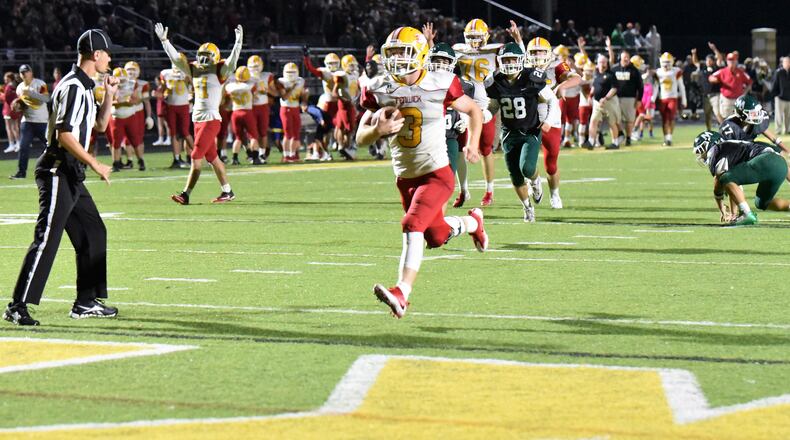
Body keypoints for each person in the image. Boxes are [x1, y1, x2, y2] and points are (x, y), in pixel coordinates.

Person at [357, 26, 486, 319]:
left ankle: (402, 292)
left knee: (412, 224)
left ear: (421, 54)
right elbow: (359, 138)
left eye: (405, 52)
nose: (399, 60)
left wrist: (473, 144)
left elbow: (475, 111)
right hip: (405, 178)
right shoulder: (380, 87)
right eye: (393, 54)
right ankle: (473, 223)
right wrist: (376, 130)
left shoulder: (440, 82)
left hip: (437, 173)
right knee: (436, 236)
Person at [3, 29, 118, 326]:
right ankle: (17, 306)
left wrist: (110, 96)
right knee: (47, 239)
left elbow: (101, 126)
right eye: (107, 53)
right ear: (96, 54)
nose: (109, 58)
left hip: (71, 172)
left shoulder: (86, 85)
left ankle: (85, 302)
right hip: (57, 168)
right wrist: (96, 163)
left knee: (93, 232)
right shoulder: (73, 86)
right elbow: (64, 135)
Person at [155, 22, 242, 205]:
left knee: (195, 158)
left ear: (215, 57)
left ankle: (185, 194)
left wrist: (238, 43)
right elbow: (176, 59)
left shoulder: (219, 70)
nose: (203, 59)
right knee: (212, 158)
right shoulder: (193, 69)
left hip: (210, 119)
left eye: (207, 56)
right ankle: (227, 191)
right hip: (197, 119)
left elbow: (233, 61)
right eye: (201, 55)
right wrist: (165, 41)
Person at [486, 43, 555, 222]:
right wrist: (482, 116)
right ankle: (527, 207)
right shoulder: (495, 81)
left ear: (521, 60)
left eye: (512, 59)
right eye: (506, 59)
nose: (509, 63)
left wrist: (548, 120)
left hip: (530, 130)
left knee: (527, 168)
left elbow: (552, 101)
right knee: (516, 177)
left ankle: (536, 180)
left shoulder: (531, 77)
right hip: (509, 133)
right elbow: (493, 106)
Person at [523, 36, 577, 208]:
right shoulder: (524, 68)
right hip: (528, 121)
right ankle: (534, 181)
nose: (538, 55)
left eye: (541, 51)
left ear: (548, 53)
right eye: (534, 52)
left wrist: (562, 86)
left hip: (551, 120)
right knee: (525, 162)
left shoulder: (555, 66)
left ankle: (555, 194)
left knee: (551, 164)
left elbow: (576, 77)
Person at [693, 131, 790, 226]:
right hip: (781, 165)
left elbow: (719, 181)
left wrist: (721, 207)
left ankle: (746, 214)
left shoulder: (716, 150)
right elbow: (734, 186)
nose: (701, 155)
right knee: (762, 203)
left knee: (725, 177)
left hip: (766, 161)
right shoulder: (733, 147)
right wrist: (733, 214)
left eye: (701, 150)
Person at [11, 64, 50, 179]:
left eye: (26, 72)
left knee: (50, 146)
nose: (24, 74)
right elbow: (23, 104)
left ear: (31, 72)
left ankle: (54, 168)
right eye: (22, 72)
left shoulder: (40, 83)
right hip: (27, 121)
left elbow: (46, 98)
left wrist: (31, 93)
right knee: (23, 147)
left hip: (42, 121)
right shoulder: (19, 87)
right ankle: (21, 172)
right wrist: (18, 105)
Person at [719, 94, 787, 154]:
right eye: (753, 113)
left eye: (756, 112)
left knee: (779, 152)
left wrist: (787, 150)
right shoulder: (729, 127)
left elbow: (772, 137)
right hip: (737, 153)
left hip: (750, 145)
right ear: (742, 114)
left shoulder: (755, 121)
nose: (756, 115)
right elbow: (727, 152)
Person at [607, 39, 643, 146]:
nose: (626, 59)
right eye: (624, 57)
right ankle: (619, 135)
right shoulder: (614, 69)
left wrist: (639, 99)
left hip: (629, 98)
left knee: (629, 120)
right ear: (620, 58)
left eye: (627, 57)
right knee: (614, 119)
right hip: (615, 98)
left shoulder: (634, 70)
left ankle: (628, 138)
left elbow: (640, 86)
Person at [225, 65, 263, 165]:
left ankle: (235, 158)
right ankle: (255, 158)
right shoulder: (250, 86)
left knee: (238, 138)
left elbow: (227, 95)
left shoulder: (230, 86)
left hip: (235, 112)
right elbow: (256, 93)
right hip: (247, 112)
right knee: (253, 136)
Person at [108, 67, 143, 172]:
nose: (122, 82)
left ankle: (141, 161)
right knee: (116, 142)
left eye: (123, 79)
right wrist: (122, 102)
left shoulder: (132, 84)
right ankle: (116, 163)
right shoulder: (110, 86)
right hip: (116, 117)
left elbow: (137, 100)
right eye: (120, 79)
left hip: (130, 116)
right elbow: (108, 102)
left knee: (135, 140)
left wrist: (131, 101)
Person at [274, 62, 308, 162]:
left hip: (296, 108)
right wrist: (292, 87)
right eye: (288, 72)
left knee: (296, 133)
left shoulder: (301, 81)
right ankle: (286, 155)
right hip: (286, 108)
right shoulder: (281, 81)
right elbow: (284, 97)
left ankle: (293, 155)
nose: (291, 74)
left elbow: (302, 96)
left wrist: (305, 97)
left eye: (293, 72)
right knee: (288, 134)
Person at [160, 62, 192, 168]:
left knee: (185, 132)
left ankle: (197, 155)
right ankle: (177, 159)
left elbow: (193, 86)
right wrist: (163, 93)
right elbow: (163, 89)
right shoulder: (166, 73)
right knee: (173, 133)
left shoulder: (187, 73)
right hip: (171, 106)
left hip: (184, 106)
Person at [587, 54, 623, 149]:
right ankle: (591, 142)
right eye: (600, 62)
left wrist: (606, 98)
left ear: (607, 63)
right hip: (597, 102)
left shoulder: (611, 74)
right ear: (597, 63)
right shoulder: (596, 74)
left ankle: (615, 143)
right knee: (593, 121)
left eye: (604, 62)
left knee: (612, 122)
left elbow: (614, 89)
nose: (602, 64)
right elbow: (595, 87)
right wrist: (590, 96)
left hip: (609, 102)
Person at [247, 55, 277, 161]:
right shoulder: (244, 75)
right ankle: (253, 154)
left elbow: (275, 93)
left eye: (256, 66)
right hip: (249, 107)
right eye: (252, 66)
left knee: (263, 132)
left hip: (263, 106)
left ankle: (262, 154)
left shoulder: (267, 76)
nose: (255, 69)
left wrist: (266, 90)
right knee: (252, 133)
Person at [122, 61, 151, 170]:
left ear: (138, 71)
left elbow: (146, 101)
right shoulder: (121, 83)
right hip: (125, 111)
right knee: (126, 139)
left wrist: (148, 116)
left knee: (138, 138)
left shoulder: (143, 84)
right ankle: (129, 160)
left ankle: (141, 159)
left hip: (138, 112)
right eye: (129, 69)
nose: (131, 72)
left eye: (133, 70)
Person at [332, 54, 361, 160]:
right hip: (345, 104)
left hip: (351, 102)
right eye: (350, 65)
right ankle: (343, 147)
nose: (353, 67)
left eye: (354, 65)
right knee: (345, 127)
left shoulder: (355, 74)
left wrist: (357, 98)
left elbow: (357, 89)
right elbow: (334, 93)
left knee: (349, 127)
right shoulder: (342, 76)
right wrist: (343, 99)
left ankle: (345, 148)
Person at [655, 52, 686, 146]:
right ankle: (666, 138)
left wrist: (684, 99)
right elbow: (656, 86)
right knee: (664, 119)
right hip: (662, 98)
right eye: (664, 62)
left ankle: (669, 138)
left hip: (673, 98)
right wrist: (652, 98)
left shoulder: (676, 71)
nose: (666, 64)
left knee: (671, 118)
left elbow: (681, 86)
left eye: (668, 62)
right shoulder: (658, 72)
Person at [709, 52, 752, 119]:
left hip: (738, 100)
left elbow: (749, 82)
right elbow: (711, 77)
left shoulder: (740, 72)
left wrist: (745, 92)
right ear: (727, 61)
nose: (731, 62)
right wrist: (715, 80)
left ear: (736, 61)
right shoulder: (722, 71)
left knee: (739, 119)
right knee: (727, 118)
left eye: (733, 60)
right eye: (729, 60)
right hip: (726, 99)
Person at [2, 72, 22, 154]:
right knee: (15, 127)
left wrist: (1, 94)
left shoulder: (9, 87)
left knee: (10, 128)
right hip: (13, 109)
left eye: (6, 78)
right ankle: (17, 143)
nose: (5, 80)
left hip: (8, 110)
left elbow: (5, 98)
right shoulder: (14, 86)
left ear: (10, 78)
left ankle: (13, 144)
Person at [772, 56, 790, 135]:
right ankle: (778, 130)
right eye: (786, 62)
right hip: (780, 98)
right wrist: (776, 95)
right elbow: (774, 84)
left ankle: (787, 130)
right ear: (782, 63)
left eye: (788, 62)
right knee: (779, 116)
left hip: (789, 98)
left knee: (788, 117)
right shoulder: (778, 72)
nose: (787, 63)